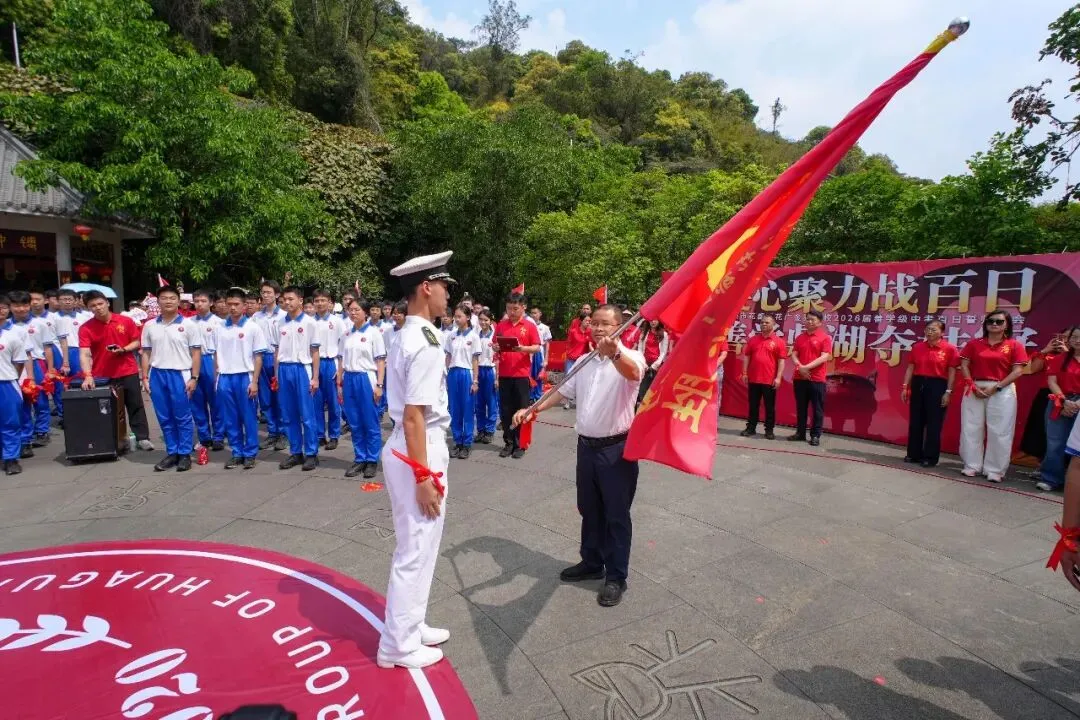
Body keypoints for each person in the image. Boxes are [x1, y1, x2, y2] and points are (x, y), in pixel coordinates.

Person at [513, 304, 645, 607]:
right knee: (589, 508)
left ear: (620, 327)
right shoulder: (584, 362)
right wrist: (533, 409)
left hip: (616, 450)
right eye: (594, 323)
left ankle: (616, 576)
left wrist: (613, 353)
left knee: (616, 514)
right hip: (586, 448)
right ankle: (592, 561)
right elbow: (561, 392)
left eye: (605, 324)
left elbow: (633, 373)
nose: (598, 329)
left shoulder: (630, 357)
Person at [377, 250, 455, 670]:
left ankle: (412, 622)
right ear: (427, 288)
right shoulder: (423, 341)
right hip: (417, 449)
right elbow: (413, 417)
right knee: (415, 546)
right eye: (445, 287)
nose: (448, 296)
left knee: (424, 542)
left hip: (415, 447)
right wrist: (423, 475)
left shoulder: (410, 334)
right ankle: (398, 645)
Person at [78, 290, 154, 452]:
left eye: (100, 303)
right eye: (93, 306)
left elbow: (136, 342)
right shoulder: (86, 328)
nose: (98, 308)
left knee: (135, 405)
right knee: (107, 409)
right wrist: (88, 376)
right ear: (88, 309)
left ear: (107, 303)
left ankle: (142, 438)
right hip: (103, 375)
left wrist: (123, 349)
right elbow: (84, 353)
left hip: (128, 370)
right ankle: (113, 439)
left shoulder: (125, 321)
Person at [959, 310, 1029, 482]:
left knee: (1000, 430)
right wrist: (971, 384)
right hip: (974, 387)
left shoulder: (1014, 345)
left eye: (999, 321)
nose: (994, 324)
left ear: (1007, 325)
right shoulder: (975, 344)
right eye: (991, 321)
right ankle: (971, 465)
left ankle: (995, 469)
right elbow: (964, 364)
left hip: (1002, 389)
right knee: (971, 427)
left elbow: (1018, 370)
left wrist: (997, 387)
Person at [141, 287, 201, 472]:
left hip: (180, 374)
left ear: (178, 301)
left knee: (182, 416)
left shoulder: (189, 325)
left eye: (172, 298)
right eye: (164, 298)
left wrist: (194, 377)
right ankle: (172, 452)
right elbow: (146, 352)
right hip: (157, 374)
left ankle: (184, 454)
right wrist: (144, 376)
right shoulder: (150, 325)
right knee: (164, 417)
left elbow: (196, 353)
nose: (168, 301)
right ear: (157, 302)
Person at [214, 289, 269, 470]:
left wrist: (254, 381)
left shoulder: (252, 327)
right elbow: (216, 354)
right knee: (231, 418)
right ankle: (236, 452)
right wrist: (217, 379)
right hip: (225, 377)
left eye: (236, 304)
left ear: (244, 306)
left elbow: (258, 357)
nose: (232, 308)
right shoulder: (219, 327)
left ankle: (250, 453)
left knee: (248, 417)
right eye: (229, 304)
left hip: (245, 376)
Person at [901, 320, 960, 468]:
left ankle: (930, 457)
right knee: (916, 421)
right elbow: (910, 368)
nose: (929, 332)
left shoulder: (950, 349)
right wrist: (905, 387)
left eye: (933, 330)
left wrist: (948, 392)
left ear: (942, 332)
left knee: (934, 423)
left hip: (938, 385)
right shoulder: (918, 347)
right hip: (918, 382)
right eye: (927, 329)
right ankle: (913, 454)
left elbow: (952, 373)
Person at [275, 286, 321, 471]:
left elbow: (315, 351)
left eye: (291, 299)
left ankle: (311, 453)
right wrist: (276, 374)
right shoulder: (279, 323)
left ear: (300, 300)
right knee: (289, 414)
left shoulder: (310, 323)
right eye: (285, 299)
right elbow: (276, 350)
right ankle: (295, 452)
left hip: (302, 369)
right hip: (284, 369)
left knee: (307, 414)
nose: (287, 302)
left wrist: (315, 377)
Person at [338, 299, 385, 479]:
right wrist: (340, 382)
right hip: (349, 378)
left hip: (366, 378)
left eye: (357, 310)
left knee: (370, 421)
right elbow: (341, 359)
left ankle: (372, 460)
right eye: (350, 310)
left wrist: (379, 385)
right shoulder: (346, 334)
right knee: (355, 421)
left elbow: (380, 361)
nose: (353, 313)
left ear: (365, 312)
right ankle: (360, 458)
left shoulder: (374, 333)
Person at [495, 292, 541, 458]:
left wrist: (523, 349)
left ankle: (521, 444)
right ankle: (508, 442)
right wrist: (495, 347)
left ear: (523, 307)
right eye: (509, 308)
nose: (512, 312)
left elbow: (537, 346)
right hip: (505, 374)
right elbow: (495, 342)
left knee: (521, 410)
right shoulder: (502, 325)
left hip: (521, 375)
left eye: (515, 308)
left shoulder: (529, 326)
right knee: (506, 411)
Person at [9, 290, 57, 449]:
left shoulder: (40, 324)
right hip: (14, 366)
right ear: (10, 307)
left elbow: (48, 348)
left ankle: (42, 431)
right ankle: (26, 436)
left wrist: (50, 370)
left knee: (40, 400)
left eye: (24, 305)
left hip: (38, 363)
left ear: (29, 305)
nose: (21, 309)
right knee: (22, 402)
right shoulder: (7, 325)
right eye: (16, 306)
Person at [1038, 327, 1080, 492]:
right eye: (1074, 337)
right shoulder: (1059, 359)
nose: (1077, 340)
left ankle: (1074, 483)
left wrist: (1077, 404)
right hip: (1060, 401)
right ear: (1068, 340)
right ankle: (1051, 478)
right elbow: (1052, 382)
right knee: (1055, 442)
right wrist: (1064, 401)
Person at [789, 309, 833, 446]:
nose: (808, 321)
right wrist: (799, 366)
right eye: (807, 319)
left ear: (819, 322)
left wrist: (806, 367)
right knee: (801, 407)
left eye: (812, 319)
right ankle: (800, 433)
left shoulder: (825, 338)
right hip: (799, 378)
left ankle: (815, 435)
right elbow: (794, 354)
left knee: (817, 409)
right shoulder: (800, 337)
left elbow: (825, 356)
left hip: (816, 379)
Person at [740, 315, 786, 439]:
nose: (763, 324)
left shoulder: (779, 342)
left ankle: (769, 430)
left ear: (774, 325)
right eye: (762, 322)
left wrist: (778, 378)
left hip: (769, 380)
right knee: (753, 405)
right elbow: (747, 357)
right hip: (754, 378)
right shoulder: (753, 340)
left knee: (769, 407)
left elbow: (781, 361)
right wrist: (744, 373)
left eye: (767, 322)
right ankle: (751, 428)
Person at [254, 281, 287, 451]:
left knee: (279, 397)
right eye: (263, 292)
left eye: (268, 292)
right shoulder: (256, 317)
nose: (265, 295)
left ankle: (283, 432)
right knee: (265, 398)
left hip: (277, 358)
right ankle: (272, 432)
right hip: (261, 358)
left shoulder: (283, 316)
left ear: (276, 295)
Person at [190, 289, 225, 451]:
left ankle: (219, 435)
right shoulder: (188, 323)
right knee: (196, 401)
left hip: (212, 361)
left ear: (211, 303)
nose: (199, 304)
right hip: (194, 361)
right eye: (196, 301)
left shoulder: (219, 323)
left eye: (203, 301)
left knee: (216, 400)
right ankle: (204, 436)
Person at [445, 304, 480, 459]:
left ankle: (466, 443)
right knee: (454, 409)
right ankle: (457, 441)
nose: (457, 319)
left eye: (460, 316)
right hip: (453, 373)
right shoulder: (451, 335)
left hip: (466, 374)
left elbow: (475, 360)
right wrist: (444, 375)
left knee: (467, 409)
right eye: (455, 316)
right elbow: (448, 357)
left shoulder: (473, 336)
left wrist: (475, 381)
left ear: (467, 317)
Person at [312, 289, 344, 451]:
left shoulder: (337, 322)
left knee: (333, 403)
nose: (319, 303)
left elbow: (343, 346)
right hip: (315, 365)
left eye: (323, 300)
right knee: (316, 402)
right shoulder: (310, 322)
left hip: (331, 363)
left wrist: (340, 369)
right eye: (316, 301)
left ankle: (333, 435)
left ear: (329, 302)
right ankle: (319, 435)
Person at [0, 296, 27, 475]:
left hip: (7, 384)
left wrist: (12, 377)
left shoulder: (13, 335)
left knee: (10, 423)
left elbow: (19, 363)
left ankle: (11, 459)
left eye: (2, 307)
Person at [474, 309, 499, 444]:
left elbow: (498, 358)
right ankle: (481, 430)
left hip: (490, 370)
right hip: (479, 370)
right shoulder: (475, 335)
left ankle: (490, 430)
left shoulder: (494, 336)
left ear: (490, 321)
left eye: (486, 320)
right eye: (481, 319)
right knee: (479, 403)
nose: (483, 322)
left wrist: (496, 378)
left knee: (491, 402)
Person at [636, 319, 669, 406]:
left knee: (655, 388)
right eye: (651, 320)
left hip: (657, 365)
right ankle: (643, 407)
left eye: (655, 320)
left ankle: (653, 406)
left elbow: (663, 352)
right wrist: (644, 363)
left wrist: (655, 365)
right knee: (643, 388)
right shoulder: (644, 333)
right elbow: (640, 349)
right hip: (645, 363)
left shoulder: (664, 334)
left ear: (659, 322)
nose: (653, 322)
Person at [528, 307, 552, 404]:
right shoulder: (528, 326)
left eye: (535, 313)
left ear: (540, 314)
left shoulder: (545, 328)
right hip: (529, 351)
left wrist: (546, 359)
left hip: (539, 352)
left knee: (538, 375)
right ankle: (530, 396)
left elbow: (547, 344)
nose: (533, 315)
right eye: (532, 313)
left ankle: (538, 396)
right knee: (529, 374)